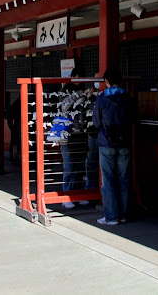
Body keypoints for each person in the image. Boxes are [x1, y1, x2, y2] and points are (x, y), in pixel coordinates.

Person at [93, 67, 135, 225]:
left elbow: (96, 122)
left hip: (106, 143)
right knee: (124, 179)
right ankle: (123, 214)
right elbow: (133, 117)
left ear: (106, 81)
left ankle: (111, 216)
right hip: (124, 142)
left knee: (108, 180)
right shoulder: (127, 97)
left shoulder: (101, 98)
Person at [59, 68, 87, 209]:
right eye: (78, 76)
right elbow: (64, 106)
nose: (80, 80)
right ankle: (67, 196)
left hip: (80, 132)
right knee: (69, 166)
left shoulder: (85, 90)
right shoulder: (65, 91)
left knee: (80, 167)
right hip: (67, 133)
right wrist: (81, 94)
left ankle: (79, 194)